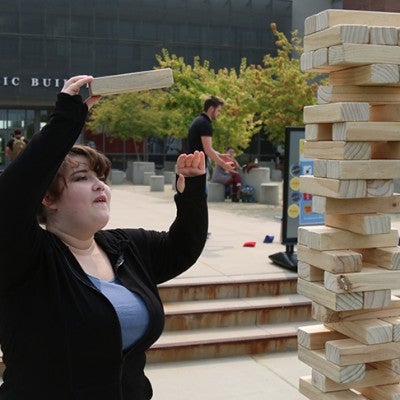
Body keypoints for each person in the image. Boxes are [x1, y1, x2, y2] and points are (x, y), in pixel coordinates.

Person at [0, 75, 208, 400]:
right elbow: (9, 199)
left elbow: (182, 248)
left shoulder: (125, 246)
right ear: (47, 198)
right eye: (83, 178)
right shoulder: (26, 257)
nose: (101, 185)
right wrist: (65, 120)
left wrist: (193, 191)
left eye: (102, 177)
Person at [187, 95, 235, 176]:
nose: (219, 114)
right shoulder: (205, 124)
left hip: (193, 165)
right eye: (218, 111)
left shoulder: (198, 120)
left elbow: (202, 147)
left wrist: (219, 155)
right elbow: (208, 150)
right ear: (212, 109)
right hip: (197, 168)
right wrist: (224, 165)